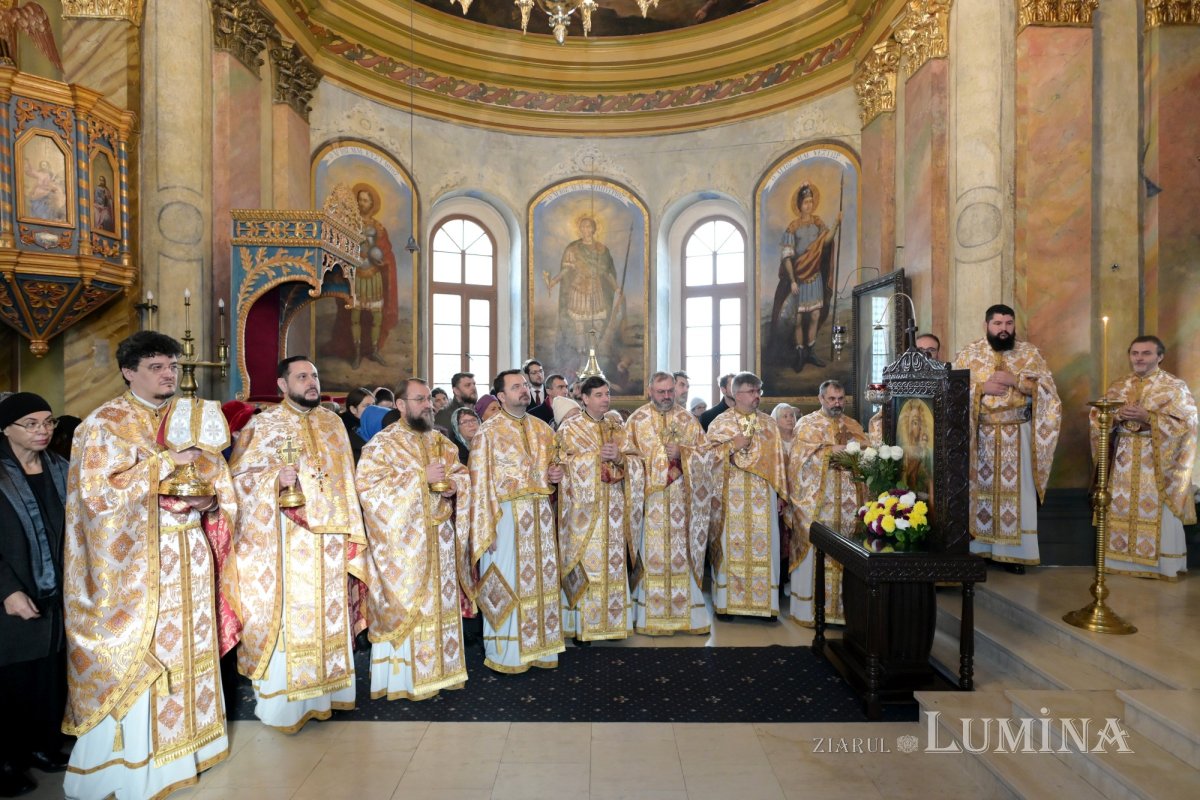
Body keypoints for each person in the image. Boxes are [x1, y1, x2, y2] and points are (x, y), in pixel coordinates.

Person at [62, 332, 238, 799]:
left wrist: (209, 497)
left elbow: (216, 478)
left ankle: (189, 748)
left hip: (189, 558)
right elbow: (95, 499)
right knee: (150, 656)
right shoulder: (103, 424)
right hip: (137, 573)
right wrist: (163, 465)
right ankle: (132, 765)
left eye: (172, 366)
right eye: (157, 366)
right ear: (129, 371)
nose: (169, 374)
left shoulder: (190, 418)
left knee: (190, 654)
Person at [225, 356, 368, 732]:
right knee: (293, 620)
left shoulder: (333, 423)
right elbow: (237, 480)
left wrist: (352, 532)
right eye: (302, 376)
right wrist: (274, 478)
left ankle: (330, 694)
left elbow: (345, 480)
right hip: (288, 542)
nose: (311, 382)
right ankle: (285, 706)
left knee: (329, 615)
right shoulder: (264, 425)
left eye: (315, 376)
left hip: (330, 541)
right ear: (283, 385)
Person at [357, 379, 472, 700]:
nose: (427, 405)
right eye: (419, 399)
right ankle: (405, 681)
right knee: (412, 607)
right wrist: (420, 479)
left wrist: (454, 486)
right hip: (403, 549)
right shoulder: (382, 445)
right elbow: (368, 490)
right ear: (401, 405)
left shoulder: (443, 443)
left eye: (428, 400)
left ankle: (442, 673)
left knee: (441, 605)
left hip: (441, 541)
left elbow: (462, 475)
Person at [468, 370, 565, 673]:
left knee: (542, 581)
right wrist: (486, 528)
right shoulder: (488, 432)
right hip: (505, 519)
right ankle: (506, 653)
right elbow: (478, 483)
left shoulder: (543, 430)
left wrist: (554, 475)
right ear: (500, 396)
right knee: (506, 581)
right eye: (516, 387)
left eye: (524, 385)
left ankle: (541, 648)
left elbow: (553, 468)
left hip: (539, 516)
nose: (523, 390)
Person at [953, 304, 1061, 572]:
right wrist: (981, 388)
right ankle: (980, 549)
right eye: (998, 324)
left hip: (1017, 432)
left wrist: (1016, 381)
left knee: (1017, 492)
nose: (1003, 329)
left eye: (1008, 324)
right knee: (982, 491)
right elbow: (953, 390)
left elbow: (1049, 391)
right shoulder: (969, 353)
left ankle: (1014, 554)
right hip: (980, 434)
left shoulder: (1030, 354)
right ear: (986, 325)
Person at [1, 394, 68, 797]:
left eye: (48, 421)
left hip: (55, 590)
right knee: (11, 679)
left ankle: (43, 746)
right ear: (6, 427)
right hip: (12, 590)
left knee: (49, 672)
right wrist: (7, 590)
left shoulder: (60, 466)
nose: (43, 430)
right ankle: (6, 759)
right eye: (31, 423)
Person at [1090, 336, 1196, 580]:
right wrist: (1115, 417)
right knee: (1118, 504)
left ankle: (1160, 566)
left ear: (1159, 356)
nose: (1139, 358)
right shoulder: (1119, 385)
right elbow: (1097, 419)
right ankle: (1119, 561)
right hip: (1123, 458)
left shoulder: (1174, 386)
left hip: (1157, 462)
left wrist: (1149, 417)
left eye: (1146, 353)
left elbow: (1188, 425)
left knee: (1157, 509)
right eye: (1135, 353)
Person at [624, 372, 713, 635]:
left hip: (682, 502)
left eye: (670, 391)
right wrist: (659, 463)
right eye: (661, 391)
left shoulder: (688, 419)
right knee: (651, 557)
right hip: (650, 502)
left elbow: (706, 456)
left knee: (681, 556)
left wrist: (683, 454)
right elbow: (627, 458)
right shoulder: (636, 420)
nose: (666, 396)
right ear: (649, 390)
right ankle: (650, 618)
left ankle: (687, 618)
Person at [557, 377, 644, 643]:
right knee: (589, 564)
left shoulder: (618, 426)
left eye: (607, 394)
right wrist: (596, 461)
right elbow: (561, 464)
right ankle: (585, 628)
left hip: (615, 508)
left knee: (614, 564)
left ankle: (614, 624)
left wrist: (619, 458)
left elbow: (638, 462)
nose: (605, 399)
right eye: (598, 395)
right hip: (584, 512)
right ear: (584, 398)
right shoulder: (569, 428)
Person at [705, 371, 788, 617]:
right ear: (736, 393)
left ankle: (764, 607)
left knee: (765, 547)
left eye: (758, 391)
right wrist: (733, 445)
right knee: (733, 547)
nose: (757, 397)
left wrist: (782, 493)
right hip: (731, 497)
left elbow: (778, 461)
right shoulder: (721, 423)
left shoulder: (768, 423)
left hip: (763, 496)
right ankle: (728, 605)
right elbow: (706, 457)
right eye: (752, 392)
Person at [787, 380, 869, 626]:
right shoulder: (807, 424)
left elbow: (867, 452)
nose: (837, 404)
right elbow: (797, 460)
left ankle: (844, 612)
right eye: (832, 399)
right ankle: (809, 611)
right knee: (817, 550)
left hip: (849, 504)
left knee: (849, 552)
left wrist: (859, 451)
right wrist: (831, 451)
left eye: (841, 398)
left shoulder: (853, 425)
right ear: (821, 398)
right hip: (818, 503)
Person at [769, 182, 840, 372]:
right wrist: (792, 281)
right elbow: (787, 256)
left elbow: (826, 241)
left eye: (810, 201)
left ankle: (810, 351)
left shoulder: (818, 223)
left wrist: (836, 224)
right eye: (805, 202)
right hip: (798, 277)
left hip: (815, 275)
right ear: (799, 205)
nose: (808, 205)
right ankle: (800, 353)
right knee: (798, 318)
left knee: (815, 314)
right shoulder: (793, 227)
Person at [330, 183, 398, 369]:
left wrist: (381, 259)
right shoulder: (349, 225)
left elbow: (386, 252)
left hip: (374, 276)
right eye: (359, 199)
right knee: (355, 316)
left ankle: (374, 350)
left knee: (376, 317)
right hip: (356, 276)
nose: (362, 203)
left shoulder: (379, 228)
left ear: (372, 203)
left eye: (365, 200)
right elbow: (340, 249)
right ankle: (357, 352)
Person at [543, 216, 620, 373]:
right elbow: (566, 270)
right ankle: (582, 362)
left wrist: (616, 288)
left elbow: (607, 272)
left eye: (588, 226)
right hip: (578, 289)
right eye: (583, 227)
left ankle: (593, 360)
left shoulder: (602, 249)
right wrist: (553, 281)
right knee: (579, 327)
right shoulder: (573, 249)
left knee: (597, 324)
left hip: (595, 289)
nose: (585, 230)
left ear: (593, 229)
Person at [339, 387, 376, 462]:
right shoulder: (346, 430)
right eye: (367, 406)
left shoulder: (372, 424)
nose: (373, 409)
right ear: (353, 409)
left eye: (374, 405)